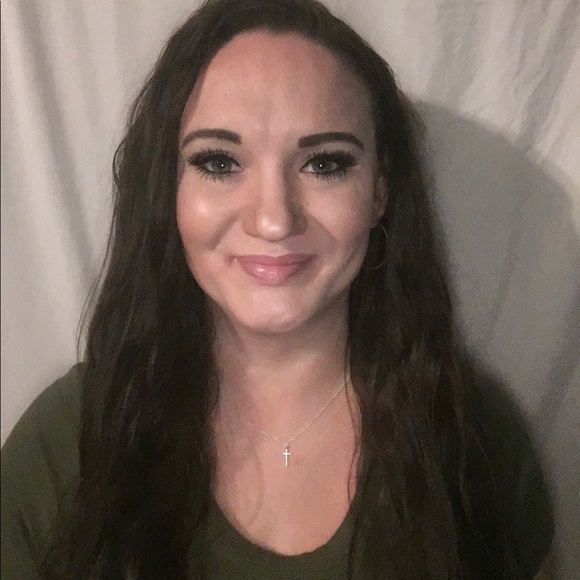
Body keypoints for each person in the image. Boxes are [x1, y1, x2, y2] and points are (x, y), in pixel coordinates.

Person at [1, 0, 555, 578]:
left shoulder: (476, 439)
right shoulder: (65, 444)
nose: (273, 220)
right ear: (167, 189)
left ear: (380, 190)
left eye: (325, 164)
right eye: (219, 163)